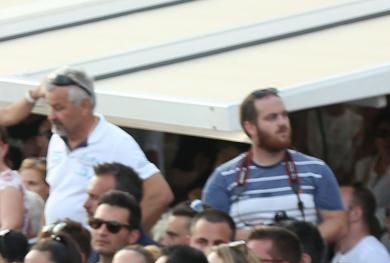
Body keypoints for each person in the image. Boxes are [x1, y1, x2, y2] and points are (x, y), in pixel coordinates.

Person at [201, 87, 346, 244]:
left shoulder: (317, 170)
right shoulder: (223, 177)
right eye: (272, 118)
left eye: (284, 115)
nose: (282, 123)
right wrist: (260, 238)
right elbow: (209, 233)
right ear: (250, 127)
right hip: (247, 259)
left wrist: (297, 245)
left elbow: (337, 222)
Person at [41, 66, 171, 228]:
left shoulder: (116, 142)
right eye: (50, 107)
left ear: (85, 106)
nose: (51, 116)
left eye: (59, 108)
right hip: (56, 238)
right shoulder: (57, 138)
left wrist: (126, 235)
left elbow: (159, 194)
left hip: (91, 241)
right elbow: (55, 195)